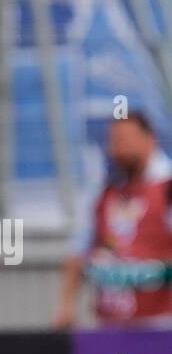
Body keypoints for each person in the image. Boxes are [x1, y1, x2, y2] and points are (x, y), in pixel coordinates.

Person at [53, 111, 172, 328]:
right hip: (110, 322)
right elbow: (79, 248)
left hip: (160, 323)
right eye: (115, 141)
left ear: (149, 138)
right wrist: (67, 304)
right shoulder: (104, 190)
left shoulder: (166, 188)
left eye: (126, 140)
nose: (118, 149)